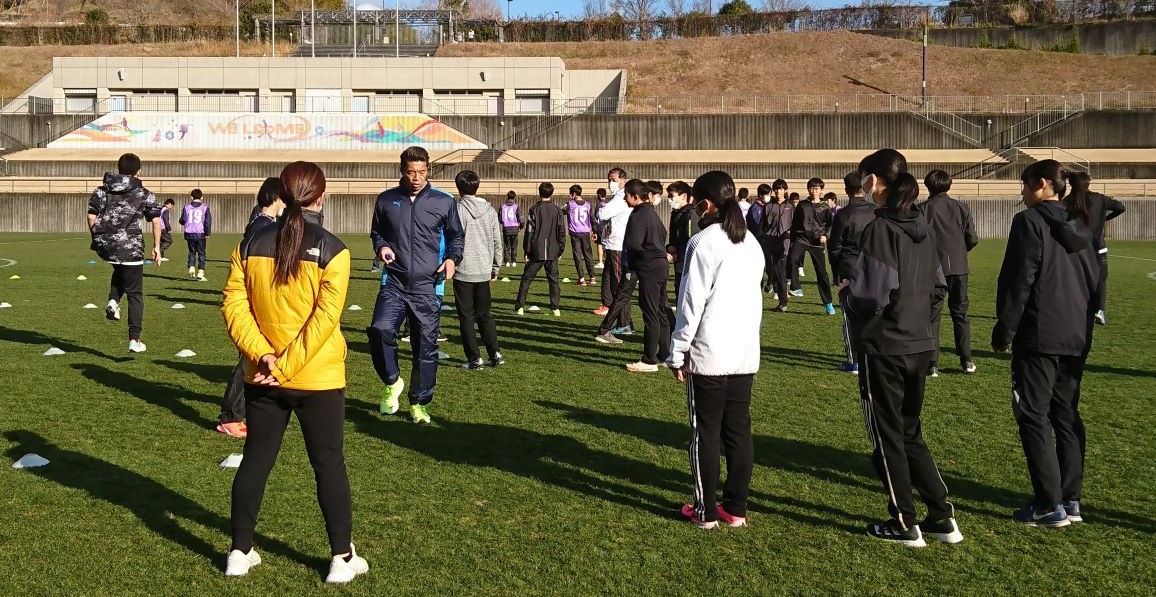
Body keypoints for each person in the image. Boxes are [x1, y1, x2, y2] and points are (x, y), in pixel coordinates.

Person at [220, 161, 367, 584]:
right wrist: (281, 362)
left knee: (256, 462)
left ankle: (239, 549)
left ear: (282, 196)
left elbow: (234, 305)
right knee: (328, 465)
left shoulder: (249, 244)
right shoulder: (335, 250)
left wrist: (263, 355)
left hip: (264, 376)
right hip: (315, 377)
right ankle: (341, 557)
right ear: (321, 196)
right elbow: (325, 321)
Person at [840, 148, 958, 548]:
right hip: (919, 344)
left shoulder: (881, 229)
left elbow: (872, 295)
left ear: (873, 181)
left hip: (886, 346)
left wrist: (850, 294)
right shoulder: (922, 226)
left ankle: (904, 521)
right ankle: (941, 515)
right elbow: (939, 285)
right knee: (910, 432)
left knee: (889, 436)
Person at [993, 159, 1099, 528]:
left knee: (1032, 414)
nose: (1021, 194)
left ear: (1041, 185)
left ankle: (1047, 503)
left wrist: (1004, 330)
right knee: (1066, 413)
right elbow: (1095, 278)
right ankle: (1071, 499)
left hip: (1040, 333)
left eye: (1023, 186)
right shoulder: (1082, 222)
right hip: (1076, 332)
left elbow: (1019, 280)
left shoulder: (1029, 222)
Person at [669, 170, 764, 530]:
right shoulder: (751, 243)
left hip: (710, 353)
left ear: (704, 204)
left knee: (705, 431)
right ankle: (735, 507)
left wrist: (677, 351)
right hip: (743, 352)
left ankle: (705, 510)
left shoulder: (703, 241)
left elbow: (691, 304)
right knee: (738, 431)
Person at [367, 146, 464, 425]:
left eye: (422, 172)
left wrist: (452, 259)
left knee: (425, 348)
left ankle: (419, 403)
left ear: (428, 170)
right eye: (411, 172)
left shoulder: (443, 201)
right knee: (380, 329)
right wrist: (382, 246)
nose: (416, 177)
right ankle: (392, 381)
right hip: (393, 282)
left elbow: (456, 236)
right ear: (402, 171)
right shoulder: (386, 200)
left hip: (428, 286)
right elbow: (377, 232)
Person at [217, 177, 286, 438]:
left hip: (258, 299)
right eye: (283, 199)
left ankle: (249, 411)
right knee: (247, 360)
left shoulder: (262, 223)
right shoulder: (262, 227)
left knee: (253, 359)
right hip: (255, 302)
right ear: (275, 198)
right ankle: (231, 416)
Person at [87, 152, 162, 354]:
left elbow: (91, 215)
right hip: (131, 248)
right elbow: (155, 220)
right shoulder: (144, 193)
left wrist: (97, 238)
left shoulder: (102, 190)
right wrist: (157, 247)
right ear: (139, 171)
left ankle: (113, 300)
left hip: (107, 245)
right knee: (135, 294)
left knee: (119, 270)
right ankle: (134, 339)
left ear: (119, 169)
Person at [921, 169, 979, 377]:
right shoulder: (961, 207)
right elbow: (972, 238)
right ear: (949, 185)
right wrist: (959, 253)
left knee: (932, 316)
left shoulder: (922, 209)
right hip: (958, 268)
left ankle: (931, 363)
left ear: (928, 186)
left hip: (933, 269)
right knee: (960, 314)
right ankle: (966, 360)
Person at [453, 170, 505, 371]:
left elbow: (453, 238)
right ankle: (495, 352)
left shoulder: (457, 210)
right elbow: (496, 241)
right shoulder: (489, 210)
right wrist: (496, 266)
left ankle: (475, 358)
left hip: (464, 269)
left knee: (466, 316)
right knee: (485, 314)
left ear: (459, 188)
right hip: (483, 268)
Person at [620, 179, 671, 372]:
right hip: (660, 265)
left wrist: (633, 265)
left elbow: (633, 244)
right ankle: (665, 354)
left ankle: (649, 360)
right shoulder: (652, 213)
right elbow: (663, 232)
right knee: (660, 310)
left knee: (650, 312)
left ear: (635, 196)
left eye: (627, 195)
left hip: (648, 266)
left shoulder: (639, 214)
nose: (625, 198)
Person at [827, 172, 875, 375]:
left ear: (846, 189)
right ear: (864, 188)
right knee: (873, 315)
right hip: (874, 269)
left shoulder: (843, 215)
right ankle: (872, 356)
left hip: (849, 268)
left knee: (849, 316)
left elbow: (835, 247)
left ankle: (854, 361)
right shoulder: (876, 212)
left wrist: (837, 271)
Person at [1067, 172, 1126, 325]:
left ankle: (1076, 309)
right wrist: (1104, 219)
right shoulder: (1100, 199)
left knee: (1076, 279)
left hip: (1077, 248)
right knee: (1100, 279)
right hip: (1098, 247)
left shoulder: (1068, 201)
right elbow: (1121, 207)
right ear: (1088, 183)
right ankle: (1099, 311)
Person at [514, 182, 566, 316]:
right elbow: (561, 231)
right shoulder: (557, 210)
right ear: (552, 193)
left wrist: (527, 249)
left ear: (539, 192)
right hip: (552, 250)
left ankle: (519, 307)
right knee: (553, 280)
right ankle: (555, 308)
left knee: (527, 278)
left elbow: (529, 231)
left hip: (537, 250)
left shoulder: (534, 209)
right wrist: (560, 249)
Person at [594, 168, 633, 332]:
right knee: (612, 283)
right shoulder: (617, 197)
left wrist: (601, 211)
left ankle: (625, 323)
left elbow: (602, 213)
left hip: (618, 245)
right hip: (612, 244)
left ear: (623, 180)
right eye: (609, 179)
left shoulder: (621, 197)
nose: (611, 183)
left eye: (614, 179)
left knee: (619, 285)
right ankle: (619, 319)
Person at [788, 177, 835, 314]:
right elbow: (795, 222)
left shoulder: (825, 207)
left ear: (821, 190)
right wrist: (792, 237)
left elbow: (831, 225)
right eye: (811, 188)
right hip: (801, 238)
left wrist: (826, 236)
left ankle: (828, 303)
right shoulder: (802, 205)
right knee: (792, 258)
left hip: (816, 243)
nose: (813, 191)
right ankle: (796, 288)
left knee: (822, 274)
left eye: (816, 188)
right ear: (808, 189)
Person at [666, 181, 697, 303]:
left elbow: (691, 239)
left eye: (672, 196)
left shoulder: (690, 214)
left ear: (684, 196)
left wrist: (678, 255)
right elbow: (675, 236)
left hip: (687, 263)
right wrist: (670, 246)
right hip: (679, 263)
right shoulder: (676, 213)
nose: (669, 199)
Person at [764, 180, 792, 311]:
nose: (778, 191)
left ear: (785, 190)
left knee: (780, 272)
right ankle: (774, 289)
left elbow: (795, 224)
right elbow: (764, 226)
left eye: (781, 189)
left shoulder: (791, 207)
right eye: (776, 189)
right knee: (773, 271)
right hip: (770, 242)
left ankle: (783, 302)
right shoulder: (768, 206)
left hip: (784, 244)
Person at [565, 184, 597, 285]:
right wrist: (595, 231)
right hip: (586, 232)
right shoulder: (588, 204)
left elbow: (559, 211)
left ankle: (582, 279)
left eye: (571, 194)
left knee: (577, 255)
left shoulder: (570, 204)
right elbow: (592, 218)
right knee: (588, 255)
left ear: (573, 193)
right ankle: (592, 278)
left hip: (575, 232)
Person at [180, 188, 211, 281]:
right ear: (202, 197)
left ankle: (191, 267)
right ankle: (201, 272)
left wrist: (185, 223)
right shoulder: (205, 207)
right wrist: (207, 233)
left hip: (189, 233)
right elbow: (207, 222)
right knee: (201, 253)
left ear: (191, 197)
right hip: (200, 233)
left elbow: (182, 220)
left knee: (191, 251)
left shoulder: (186, 207)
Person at [499, 190, 523, 268]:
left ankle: (507, 262)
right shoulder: (516, 206)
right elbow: (520, 218)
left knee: (506, 245)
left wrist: (503, 223)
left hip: (506, 228)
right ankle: (513, 261)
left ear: (507, 196)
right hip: (514, 228)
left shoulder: (502, 206)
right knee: (514, 245)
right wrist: (521, 226)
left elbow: (499, 217)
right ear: (514, 197)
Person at [593, 187, 608, 269]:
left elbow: (597, 217)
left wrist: (594, 228)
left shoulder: (599, 205)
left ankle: (600, 262)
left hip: (600, 227)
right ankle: (607, 260)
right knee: (606, 244)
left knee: (599, 243)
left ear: (599, 195)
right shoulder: (608, 203)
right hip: (607, 227)